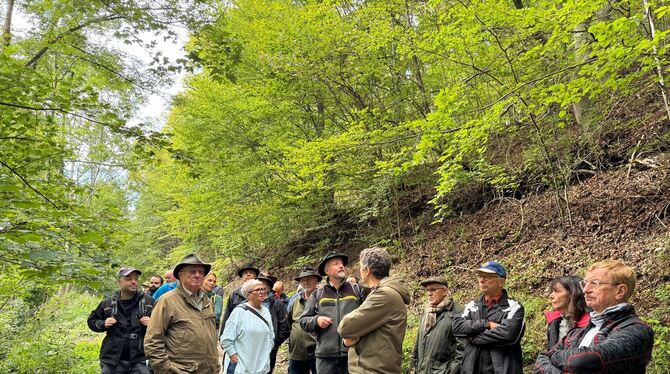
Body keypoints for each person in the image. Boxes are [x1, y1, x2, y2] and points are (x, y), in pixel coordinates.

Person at [534, 260, 654, 374]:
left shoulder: (637, 330)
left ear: (620, 291)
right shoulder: (578, 331)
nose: (585, 290)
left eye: (595, 283)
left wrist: (553, 357)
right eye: (585, 283)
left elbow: (582, 361)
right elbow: (540, 361)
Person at [144, 254, 221, 374]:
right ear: (180, 275)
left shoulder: (207, 301)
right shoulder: (167, 301)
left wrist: (215, 365)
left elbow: (211, 337)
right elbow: (153, 341)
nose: (198, 275)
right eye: (192, 271)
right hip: (180, 370)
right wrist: (166, 369)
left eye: (201, 272)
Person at [338, 247, 410, 374]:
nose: (359, 271)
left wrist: (353, 335)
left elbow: (346, 327)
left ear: (367, 270)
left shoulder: (384, 295)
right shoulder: (380, 292)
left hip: (373, 369)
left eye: (361, 267)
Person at [452, 261, 525, 374]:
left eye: (487, 277)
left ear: (501, 282)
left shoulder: (514, 307)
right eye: (480, 276)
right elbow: (457, 327)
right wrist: (487, 324)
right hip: (472, 369)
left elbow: (508, 335)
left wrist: (472, 337)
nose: (481, 280)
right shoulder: (472, 306)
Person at [300, 251, 365, 374]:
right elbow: (303, 321)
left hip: (353, 354)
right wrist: (316, 320)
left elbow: (369, 317)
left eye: (342, 264)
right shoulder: (317, 294)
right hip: (325, 357)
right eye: (336, 264)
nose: (341, 266)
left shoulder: (356, 290)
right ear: (327, 271)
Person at [87, 267, 154, 374]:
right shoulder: (108, 303)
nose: (133, 282)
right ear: (119, 282)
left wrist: (152, 323)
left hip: (141, 359)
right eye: (129, 279)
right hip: (112, 359)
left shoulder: (149, 302)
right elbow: (91, 321)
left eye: (136, 279)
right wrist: (103, 323)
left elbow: (165, 326)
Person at [410, 277, 465, 374]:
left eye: (433, 290)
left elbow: (462, 348)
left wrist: (451, 371)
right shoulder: (427, 312)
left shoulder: (458, 312)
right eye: (427, 290)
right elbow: (417, 344)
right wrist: (413, 366)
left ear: (444, 291)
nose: (429, 293)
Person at [220, 279, 274, 374]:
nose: (261, 292)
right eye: (257, 290)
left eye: (263, 289)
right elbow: (226, 339)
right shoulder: (239, 312)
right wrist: (234, 359)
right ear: (248, 295)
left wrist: (266, 354)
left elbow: (270, 335)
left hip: (261, 368)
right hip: (241, 368)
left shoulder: (266, 311)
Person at [287, 267, 322, 374]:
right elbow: (289, 323)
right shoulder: (295, 301)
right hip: (296, 353)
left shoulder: (323, 299)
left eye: (309, 279)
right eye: (303, 280)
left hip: (318, 352)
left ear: (316, 280)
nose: (306, 282)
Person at [543, 275, 589, 349]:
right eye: (552, 291)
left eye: (557, 291)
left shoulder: (590, 323)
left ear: (573, 294)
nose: (551, 296)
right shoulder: (554, 322)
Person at [257, 273, 290, 373]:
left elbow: (285, 326)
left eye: (264, 285)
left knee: (267, 370)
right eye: (258, 285)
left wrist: (275, 343)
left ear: (268, 288)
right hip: (252, 345)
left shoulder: (276, 303)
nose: (261, 288)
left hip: (269, 346)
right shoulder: (249, 302)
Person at [222, 264, 260, 331]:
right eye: (245, 273)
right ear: (242, 277)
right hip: (238, 331)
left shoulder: (261, 292)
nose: (248, 275)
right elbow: (228, 314)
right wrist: (223, 334)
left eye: (251, 273)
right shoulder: (234, 293)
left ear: (255, 276)